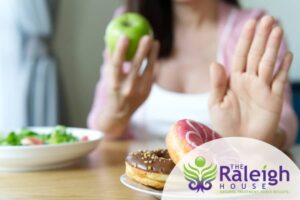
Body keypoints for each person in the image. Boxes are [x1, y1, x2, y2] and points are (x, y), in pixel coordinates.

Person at [88, 0, 298, 150]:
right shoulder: (126, 24)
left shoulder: (255, 29)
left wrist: (259, 140)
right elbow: (101, 125)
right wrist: (117, 114)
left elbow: (284, 120)